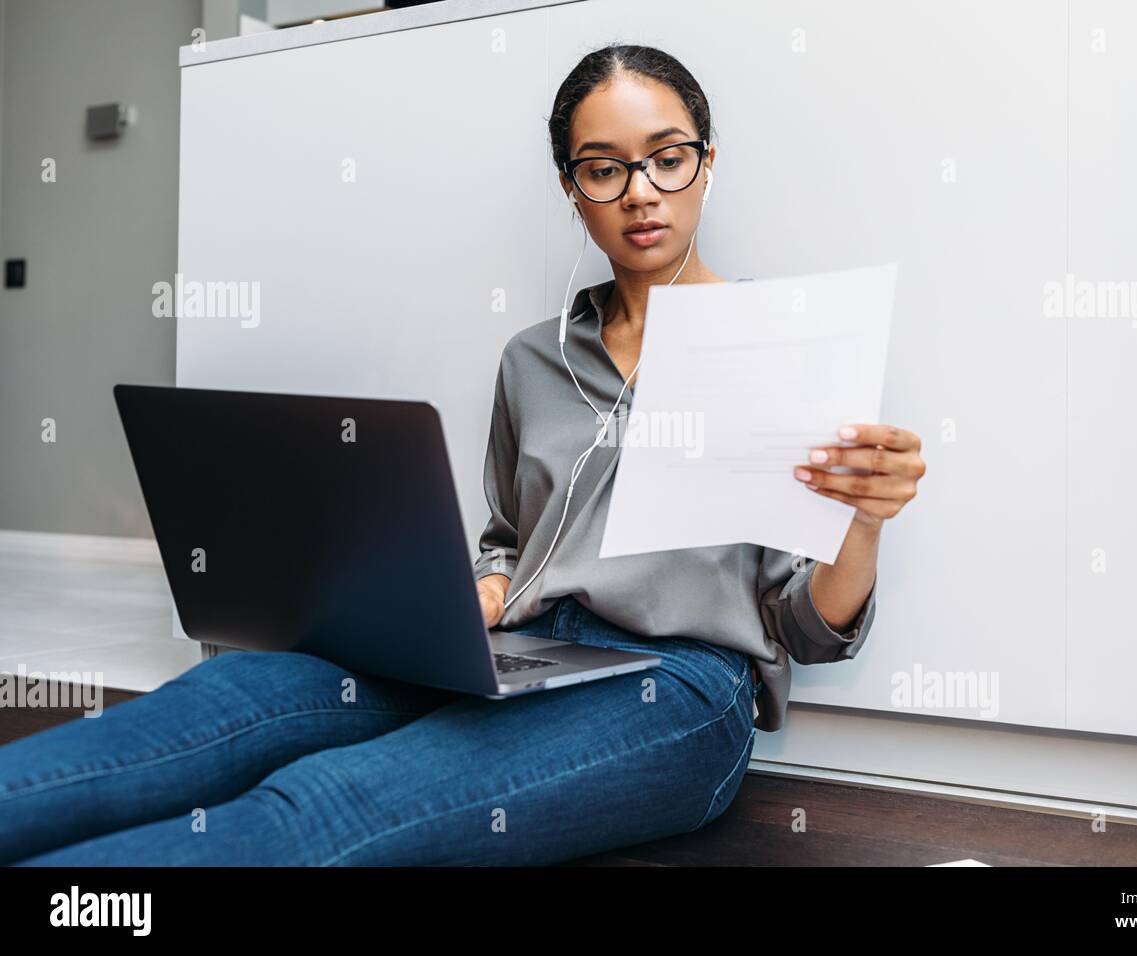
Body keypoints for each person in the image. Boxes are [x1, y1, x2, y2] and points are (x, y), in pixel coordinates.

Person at [0, 44, 923, 867]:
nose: (640, 191)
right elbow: (507, 540)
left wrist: (865, 526)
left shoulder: (786, 346)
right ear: (573, 188)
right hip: (516, 646)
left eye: (667, 160)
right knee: (218, 705)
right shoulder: (533, 356)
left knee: (328, 801)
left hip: (677, 686)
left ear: (705, 165)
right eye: (604, 170)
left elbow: (805, 630)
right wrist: (479, 591)